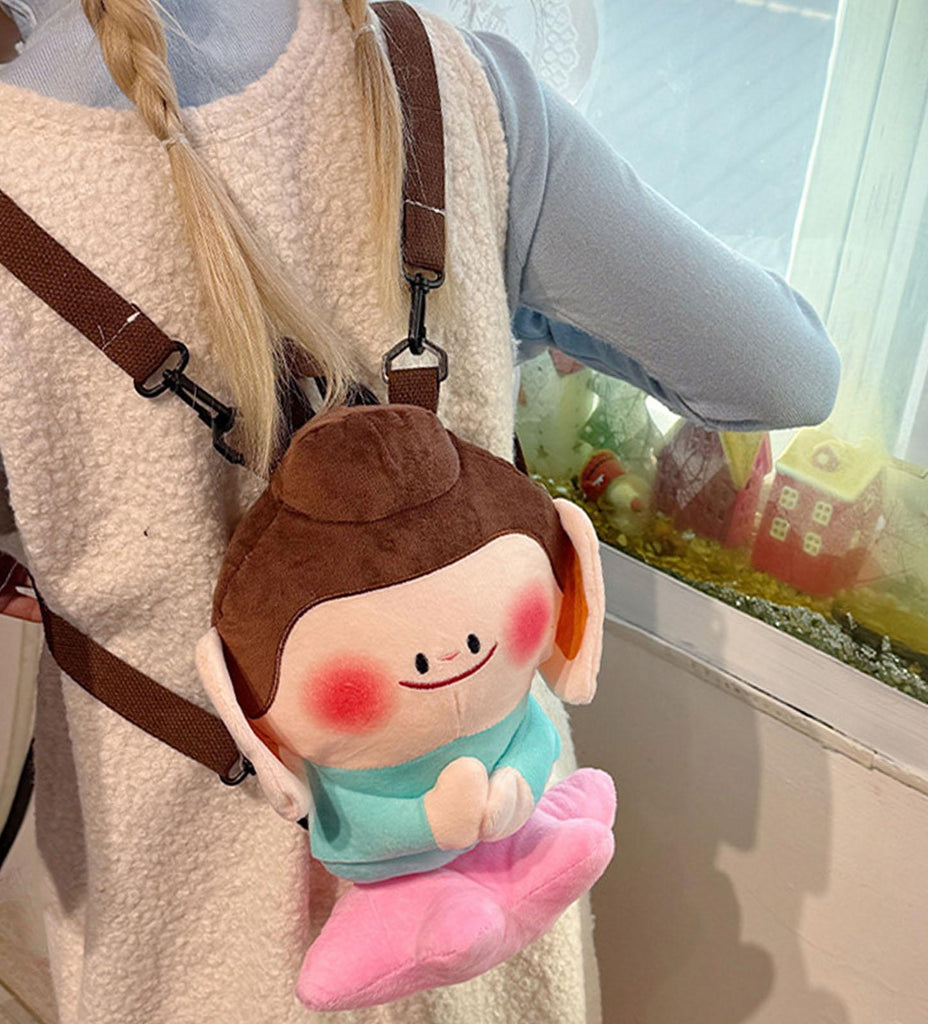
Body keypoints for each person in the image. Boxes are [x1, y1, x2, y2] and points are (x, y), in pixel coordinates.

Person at [0, 1, 840, 1022]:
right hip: (489, 850)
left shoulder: (19, 159)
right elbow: (781, 370)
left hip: (182, 895)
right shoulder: (454, 86)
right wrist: (514, 304)